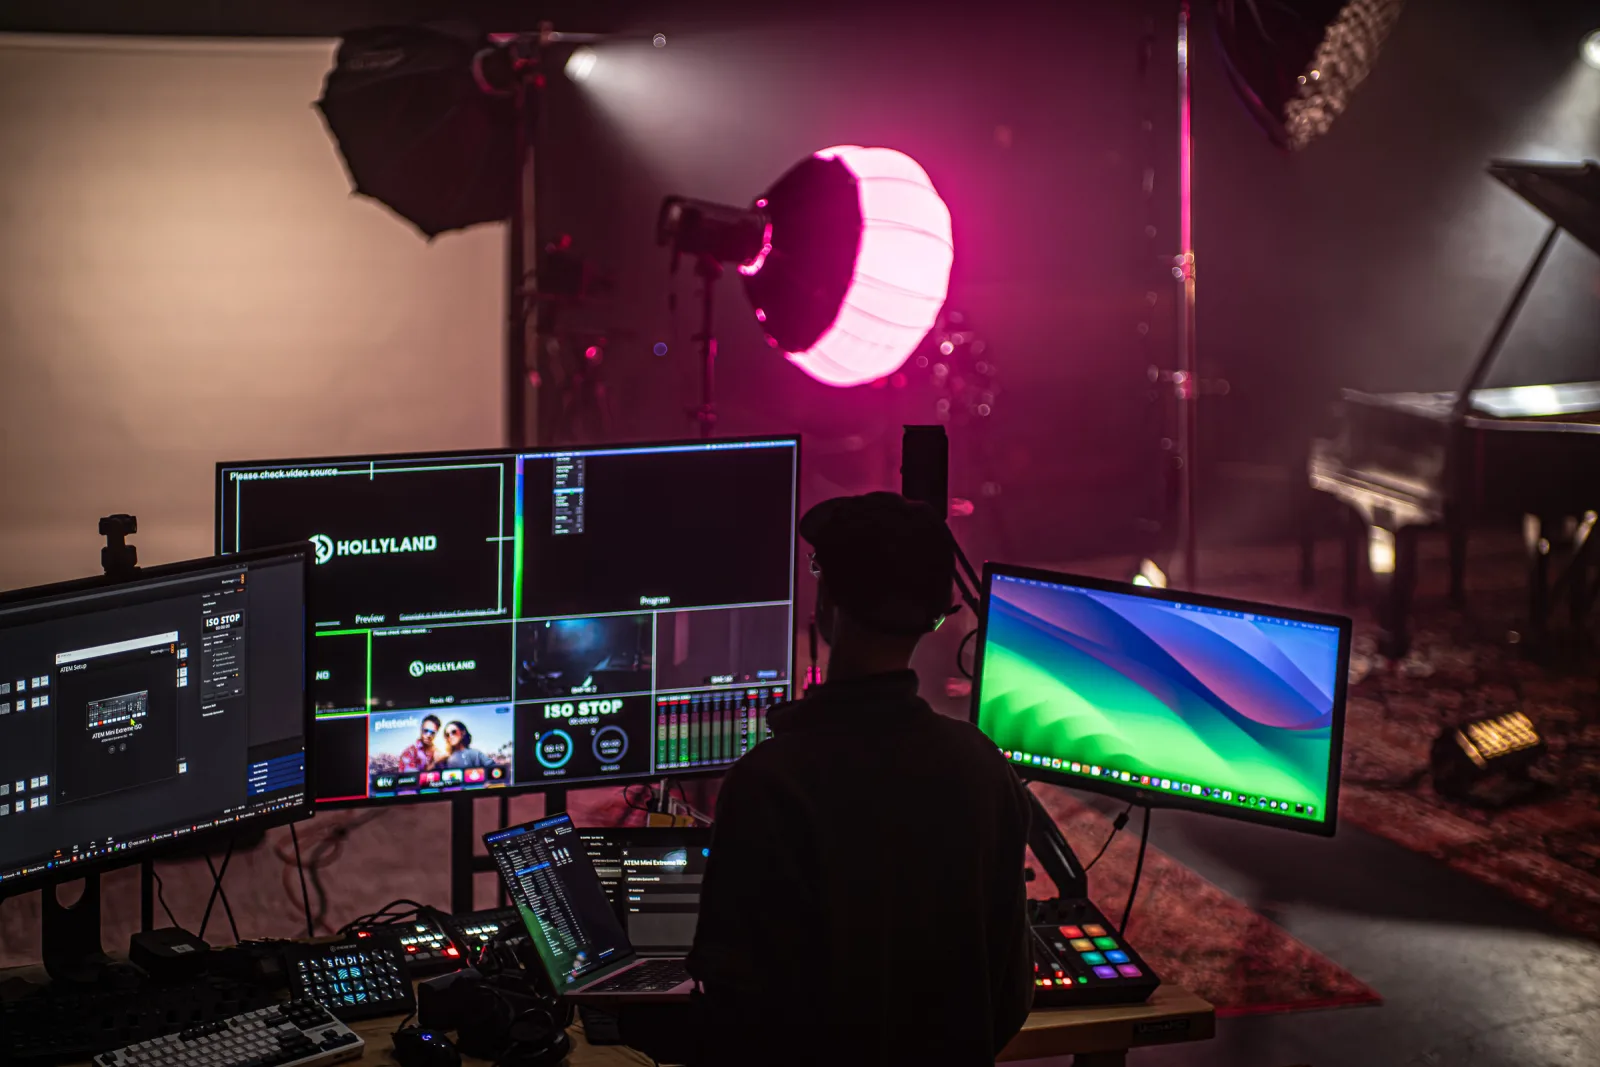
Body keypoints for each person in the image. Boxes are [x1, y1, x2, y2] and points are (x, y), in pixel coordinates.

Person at [686, 492, 1034, 1066]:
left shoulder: (770, 783)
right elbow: (1009, 998)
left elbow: (735, 1009)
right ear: (936, 617)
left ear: (828, 606)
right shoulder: (984, 767)